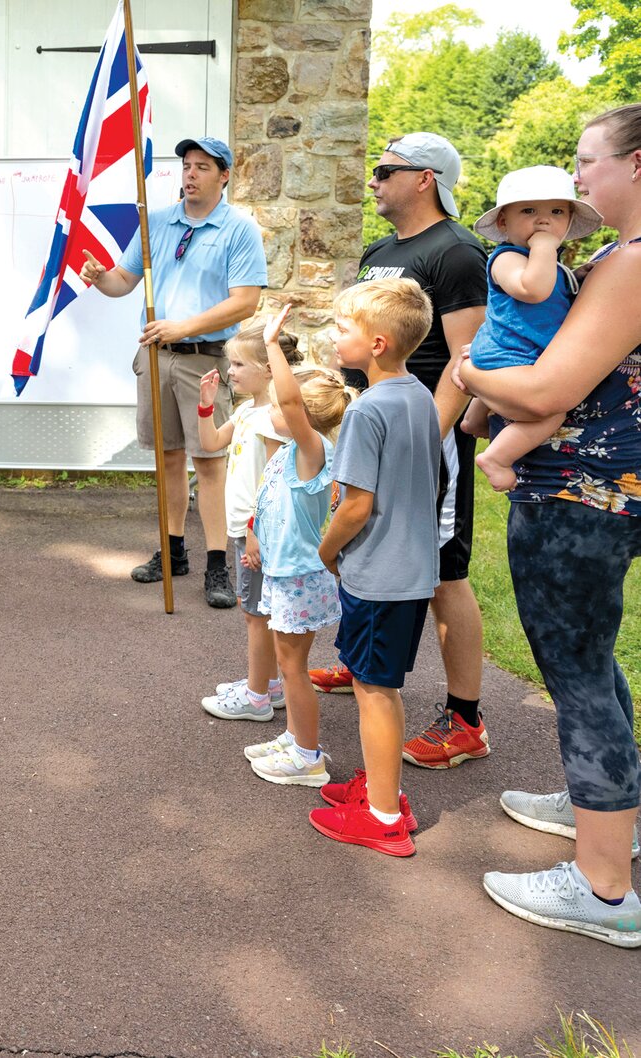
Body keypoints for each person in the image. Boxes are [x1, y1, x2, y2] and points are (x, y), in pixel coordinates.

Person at [459, 104, 641, 947]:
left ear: (636, 166)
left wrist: (466, 370)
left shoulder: (631, 264)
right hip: (595, 489)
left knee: (573, 672)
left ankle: (605, 888)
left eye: (588, 160)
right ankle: (600, 811)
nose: (576, 179)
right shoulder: (611, 258)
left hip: (582, 492)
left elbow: (539, 393)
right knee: (591, 659)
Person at [311, 132, 493, 774]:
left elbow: (467, 358)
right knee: (370, 543)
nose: (373, 181)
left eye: (386, 171)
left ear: (425, 178)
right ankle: (365, 657)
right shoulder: (380, 251)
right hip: (376, 426)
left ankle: (465, 720)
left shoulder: (459, 250)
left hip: (426, 438)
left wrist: (431, 437)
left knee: (444, 570)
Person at [81, 136, 268, 609]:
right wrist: (99, 276)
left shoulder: (238, 229)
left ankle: (217, 565)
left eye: (202, 167)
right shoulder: (156, 223)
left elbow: (246, 300)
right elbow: (124, 282)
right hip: (156, 357)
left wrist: (182, 326)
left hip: (205, 359)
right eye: (186, 165)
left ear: (224, 175)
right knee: (167, 458)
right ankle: (172, 552)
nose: (190, 174)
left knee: (209, 462)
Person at [310, 279, 440, 857]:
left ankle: (385, 814)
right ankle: (381, 786)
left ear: (379, 343)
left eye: (343, 328)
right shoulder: (418, 396)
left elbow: (355, 504)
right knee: (377, 684)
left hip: (378, 573)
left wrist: (326, 549)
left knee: (373, 690)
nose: (335, 337)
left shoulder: (365, 410)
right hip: (410, 568)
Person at [242, 308, 355, 788]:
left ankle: (307, 757)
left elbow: (289, 402)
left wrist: (271, 345)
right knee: (288, 667)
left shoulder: (314, 453)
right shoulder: (289, 452)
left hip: (299, 580)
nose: (274, 409)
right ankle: (294, 740)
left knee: (293, 669)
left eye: (282, 407)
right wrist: (254, 538)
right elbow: (268, 507)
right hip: (282, 575)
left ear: (302, 418)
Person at [461, 166, 603, 491]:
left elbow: (554, 291)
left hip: (514, 353)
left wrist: (576, 276)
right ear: (503, 222)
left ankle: (473, 420)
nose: (543, 221)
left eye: (556, 212)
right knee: (553, 412)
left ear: (568, 220)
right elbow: (533, 290)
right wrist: (544, 246)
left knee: (509, 397)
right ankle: (496, 456)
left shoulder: (550, 266)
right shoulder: (506, 258)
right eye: (529, 211)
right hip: (510, 357)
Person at [198, 321, 295, 721]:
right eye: (230, 363)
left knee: (255, 614)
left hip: (258, 532)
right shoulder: (245, 410)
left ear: (269, 369)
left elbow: (275, 480)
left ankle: (256, 698)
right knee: (257, 610)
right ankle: (268, 685)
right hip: (247, 530)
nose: (231, 371)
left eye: (239, 364)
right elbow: (210, 444)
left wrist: (254, 531)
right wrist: (206, 405)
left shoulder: (273, 419)